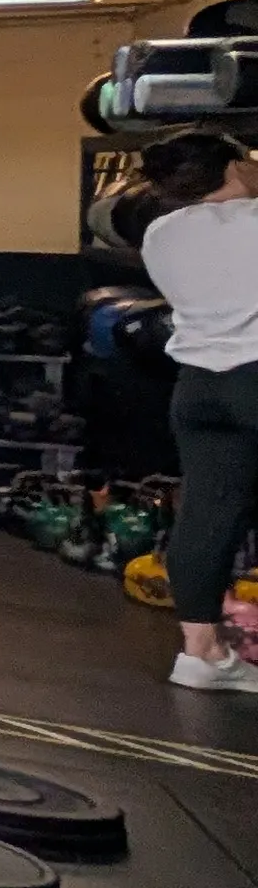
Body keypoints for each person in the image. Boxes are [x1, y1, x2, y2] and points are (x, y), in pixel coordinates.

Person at [133, 128, 258, 695]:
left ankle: (201, 654)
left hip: (200, 390)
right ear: (235, 166)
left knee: (207, 515)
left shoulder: (161, 233)